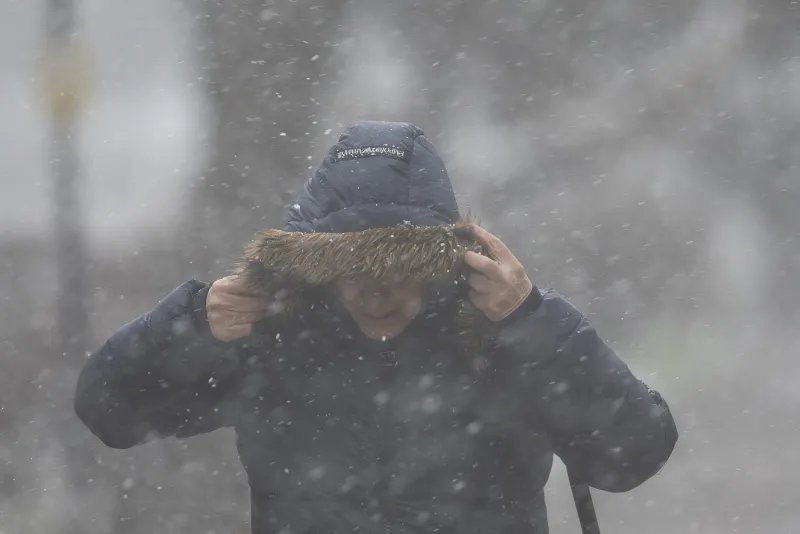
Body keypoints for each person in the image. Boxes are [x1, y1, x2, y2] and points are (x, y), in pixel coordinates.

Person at [74, 121, 677, 534]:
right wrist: (192, 324)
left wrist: (535, 323)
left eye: (399, 268)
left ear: (439, 266)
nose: (377, 292)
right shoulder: (276, 341)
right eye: (353, 270)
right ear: (318, 272)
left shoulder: (502, 338)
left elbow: (634, 454)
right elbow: (108, 410)